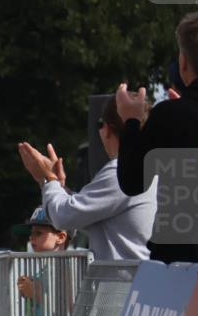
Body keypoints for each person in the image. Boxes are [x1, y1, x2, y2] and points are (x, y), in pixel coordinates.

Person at [115, 11, 198, 264]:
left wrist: (132, 121)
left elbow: (132, 182)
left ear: (183, 63)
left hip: (181, 269)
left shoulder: (171, 115)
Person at [18, 97, 157, 261]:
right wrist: (58, 187)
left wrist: (48, 179)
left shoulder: (121, 172)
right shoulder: (154, 169)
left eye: (99, 124)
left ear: (106, 129)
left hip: (123, 285)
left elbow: (62, 217)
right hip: (143, 281)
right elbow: (84, 215)